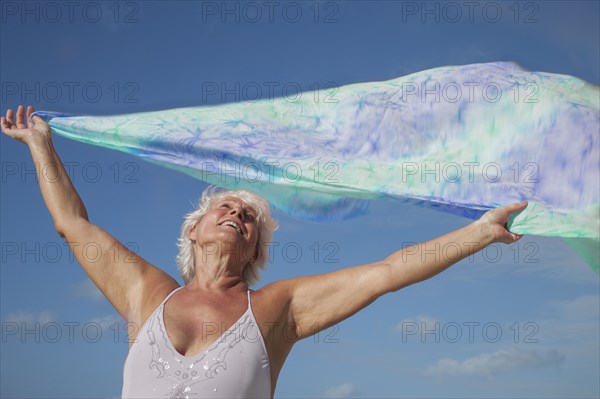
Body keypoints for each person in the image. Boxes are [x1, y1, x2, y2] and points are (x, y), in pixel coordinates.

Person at [1, 105, 528, 398]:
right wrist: (42, 146)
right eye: (225, 207)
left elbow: (386, 272)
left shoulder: (276, 309)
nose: (237, 215)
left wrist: (480, 232)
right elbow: (72, 224)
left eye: (249, 217)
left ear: (255, 248)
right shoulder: (146, 294)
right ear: (194, 231)